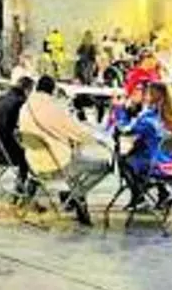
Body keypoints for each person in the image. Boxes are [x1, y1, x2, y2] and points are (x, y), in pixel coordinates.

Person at [19, 76, 111, 225]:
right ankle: (76, 194)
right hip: (58, 163)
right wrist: (96, 139)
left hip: (33, 162)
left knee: (77, 165)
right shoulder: (53, 108)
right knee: (104, 166)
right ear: (53, 90)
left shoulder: (25, 107)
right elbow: (76, 131)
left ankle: (74, 196)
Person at [118, 82, 172, 208]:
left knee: (124, 161)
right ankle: (163, 194)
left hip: (158, 165)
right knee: (142, 152)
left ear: (153, 97)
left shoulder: (149, 119)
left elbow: (125, 129)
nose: (144, 96)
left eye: (147, 94)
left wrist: (121, 109)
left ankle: (139, 195)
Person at [0, 76, 35, 189]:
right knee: (29, 151)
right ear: (27, 90)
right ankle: (22, 184)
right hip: (2, 152)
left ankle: (22, 183)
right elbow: (19, 126)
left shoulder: (2, 97)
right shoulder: (19, 102)